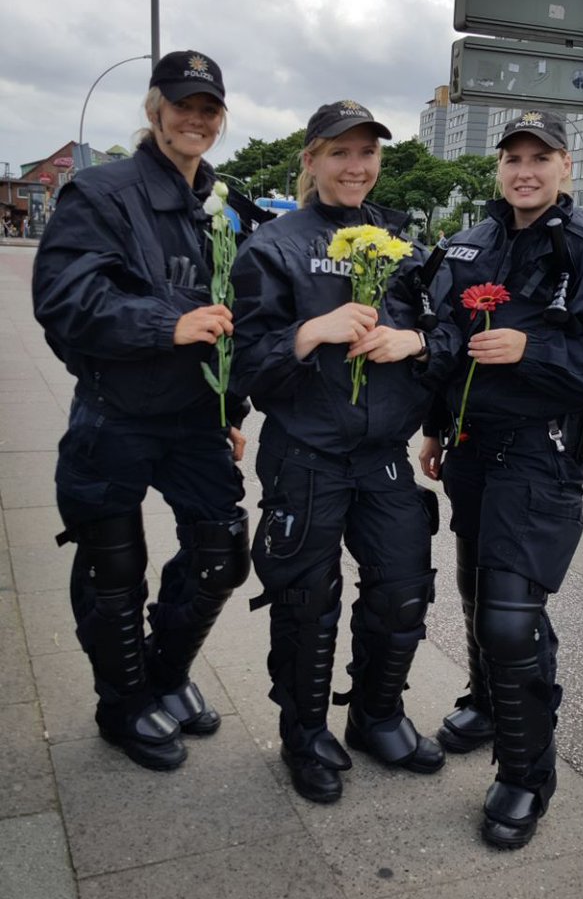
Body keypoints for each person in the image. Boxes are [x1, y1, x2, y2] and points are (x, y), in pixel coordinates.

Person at [419, 108, 583, 849]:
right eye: (513, 158)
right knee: (475, 590)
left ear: (566, 166)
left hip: (542, 450)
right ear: (499, 167)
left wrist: (534, 350)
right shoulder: (473, 240)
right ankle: (488, 704)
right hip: (471, 444)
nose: (524, 170)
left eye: (540, 157)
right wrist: (434, 424)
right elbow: (448, 340)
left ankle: (527, 775)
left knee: (509, 616)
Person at [230, 100, 462, 803]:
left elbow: (447, 333)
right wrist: (309, 333)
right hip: (306, 455)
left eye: (367, 152)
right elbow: (244, 363)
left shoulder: (402, 246)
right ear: (311, 159)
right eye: (340, 152)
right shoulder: (272, 248)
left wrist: (414, 341)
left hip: (383, 456)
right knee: (306, 602)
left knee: (402, 590)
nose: (356, 165)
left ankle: (376, 717)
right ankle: (304, 735)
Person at [32, 50, 251, 772]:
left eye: (209, 109)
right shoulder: (101, 193)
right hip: (115, 415)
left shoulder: (219, 205)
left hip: (194, 418)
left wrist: (230, 405)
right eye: (182, 105)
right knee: (114, 570)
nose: (196, 119)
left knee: (223, 552)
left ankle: (164, 672)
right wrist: (166, 325)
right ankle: (123, 702)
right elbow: (64, 299)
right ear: (155, 110)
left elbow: (232, 317)